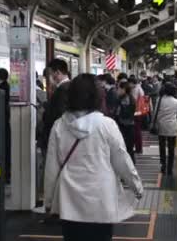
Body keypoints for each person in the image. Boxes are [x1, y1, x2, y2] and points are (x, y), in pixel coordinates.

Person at [44, 74, 143, 241]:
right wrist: (136, 186)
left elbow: (52, 167)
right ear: (98, 96)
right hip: (101, 199)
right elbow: (122, 160)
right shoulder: (107, 125)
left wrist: (48, 201)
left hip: (69, 201)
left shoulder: (59, 126)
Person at [41, 59, 71, 153]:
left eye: (50, 74)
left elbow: (59, 114)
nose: (49, 78)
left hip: (58, 138)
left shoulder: (62, 90)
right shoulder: (71, 86)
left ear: (57, 72)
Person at [155, 82, 177, 175]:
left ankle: (163, 165)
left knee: (162, 147)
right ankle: (170, 168)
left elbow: (155, 113)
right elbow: (176, 113)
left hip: (161, 126)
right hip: (172, 127)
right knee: (171, 148)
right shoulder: (176, 101)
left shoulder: (159, 100)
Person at [0, 68, 12, 183]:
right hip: (8, 121)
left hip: (3, 121)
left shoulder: (0, 89)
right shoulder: (9, 86)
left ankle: (5, 175)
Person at [116, 81, 136, 163]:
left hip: (124, 125)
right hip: (130, 124)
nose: (118, 90)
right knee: (129, 148)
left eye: (119, 88)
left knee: (126, 147)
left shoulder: (124, 100)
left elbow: (121, 113)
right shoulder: (131, 97)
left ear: (123, 89)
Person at [128, 78, 145, 154]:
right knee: (137, 130)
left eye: (129, 83)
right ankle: (138, 148)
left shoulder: (135, 89)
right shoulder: (140, 88)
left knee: (136, 131)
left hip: (136, 112)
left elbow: (134, 101)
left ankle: (138, 148)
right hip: (139, 112)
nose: (128, 85)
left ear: (132, 83)